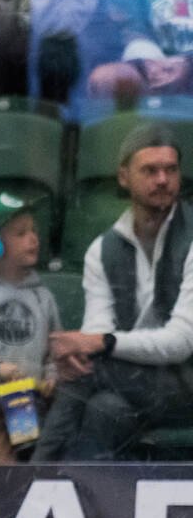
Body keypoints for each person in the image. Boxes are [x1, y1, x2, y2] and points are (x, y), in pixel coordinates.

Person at [36, 123, 193, 461]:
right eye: (150, 170)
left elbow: (182, 341)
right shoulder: (102, 249)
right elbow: (96, 330)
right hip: (135, 386)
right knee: (103, 410)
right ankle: (84, 504)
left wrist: (102, 344)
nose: (163, 180)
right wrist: (84, 353)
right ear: (124, 177)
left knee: (91, 374)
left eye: (170, 170)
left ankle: (37, 473)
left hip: (186, 384)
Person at [0, 192, 62, 464]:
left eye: (34, 231)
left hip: (27, 404)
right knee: (3, 472)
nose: (33, 239)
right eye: (20, 233)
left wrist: (51, 374)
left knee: (30, 469)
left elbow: (55, 347)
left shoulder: (42, 296)